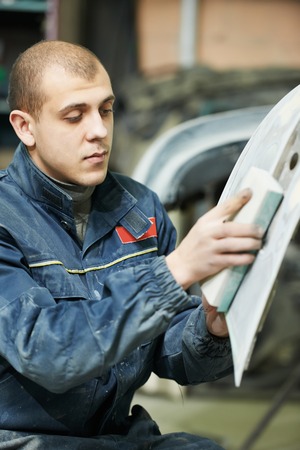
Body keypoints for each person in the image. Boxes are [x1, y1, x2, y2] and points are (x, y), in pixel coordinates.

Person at [0, 40, 262, 450]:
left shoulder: (139, 208)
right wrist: (174, 273)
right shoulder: (4, 220)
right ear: (24, 126)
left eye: (106, 110)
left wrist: (213, 327)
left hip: (121, 437)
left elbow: (170, 351)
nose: (99, 131)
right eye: (74, 116)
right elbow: (48, 353)